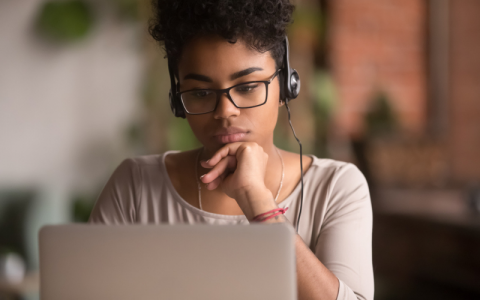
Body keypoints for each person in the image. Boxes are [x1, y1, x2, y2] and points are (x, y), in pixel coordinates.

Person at [89, 0, 374, 299]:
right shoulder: (134, 187)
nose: (225, 111)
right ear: (177, 101)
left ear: (285, 87)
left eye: (248, 87)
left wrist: (257, 201)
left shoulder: (336, 187)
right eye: (200, 93)